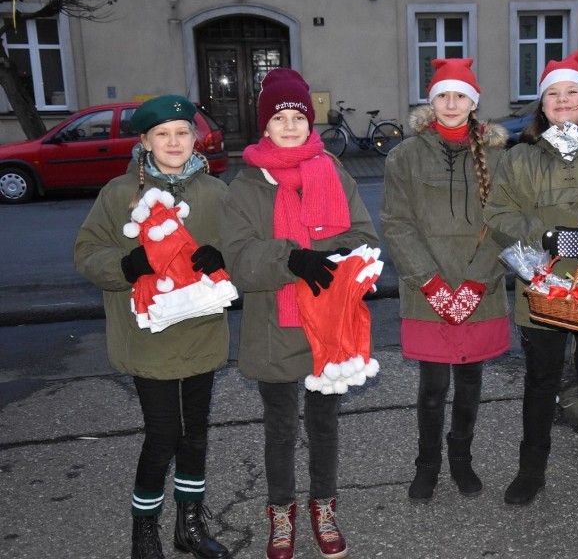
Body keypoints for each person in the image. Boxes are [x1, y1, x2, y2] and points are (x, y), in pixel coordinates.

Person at [220, 68, 378, 559]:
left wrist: (334, 260)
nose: (290, 125)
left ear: (311, 122)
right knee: (282, 427)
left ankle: (324, 507)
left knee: (325, 424)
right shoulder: (244, 186)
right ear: (264, 126)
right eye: (279, 117)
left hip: (328, 325)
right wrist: (292, 257)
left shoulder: (333, 171)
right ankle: (281, 513)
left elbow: (365, 237)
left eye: (298, 117)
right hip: (275, 323)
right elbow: (239, 259)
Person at [74, 94, 232, 559]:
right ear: (145, 142)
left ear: (195, 138)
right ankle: (143, 532)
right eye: (162, 134)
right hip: (148, 337)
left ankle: (189, 525)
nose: (174, 141)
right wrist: (128, 265)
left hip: (201, 329)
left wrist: (224, 259)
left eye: (182, 133)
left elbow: (241, 249)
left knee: (196, 432)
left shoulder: (216, 192)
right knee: (164, 434)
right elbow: (86, 254)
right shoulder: (119, 194)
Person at [484, 51, 578, 513]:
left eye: (572, 93)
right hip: (541, 288)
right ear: (541, 105)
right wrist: (542, 235)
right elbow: (497, 214)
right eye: (553, 94)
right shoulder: (519, 157)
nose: (563, 101)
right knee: (541, 379)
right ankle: (531, 468)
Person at [380, 58, 510, 503]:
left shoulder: (498, 156)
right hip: (428, 290)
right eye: (442, 95)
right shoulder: (405, 156)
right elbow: (397, 223)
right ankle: (428, 464)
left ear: (474, 103)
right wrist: (431, 284)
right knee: (433, 387)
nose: (451, 104)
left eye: (460, 96)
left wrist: (475, 283)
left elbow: (504, 223)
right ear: (430, 101)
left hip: (480, 288)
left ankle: (461, 459)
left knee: (471, 383)